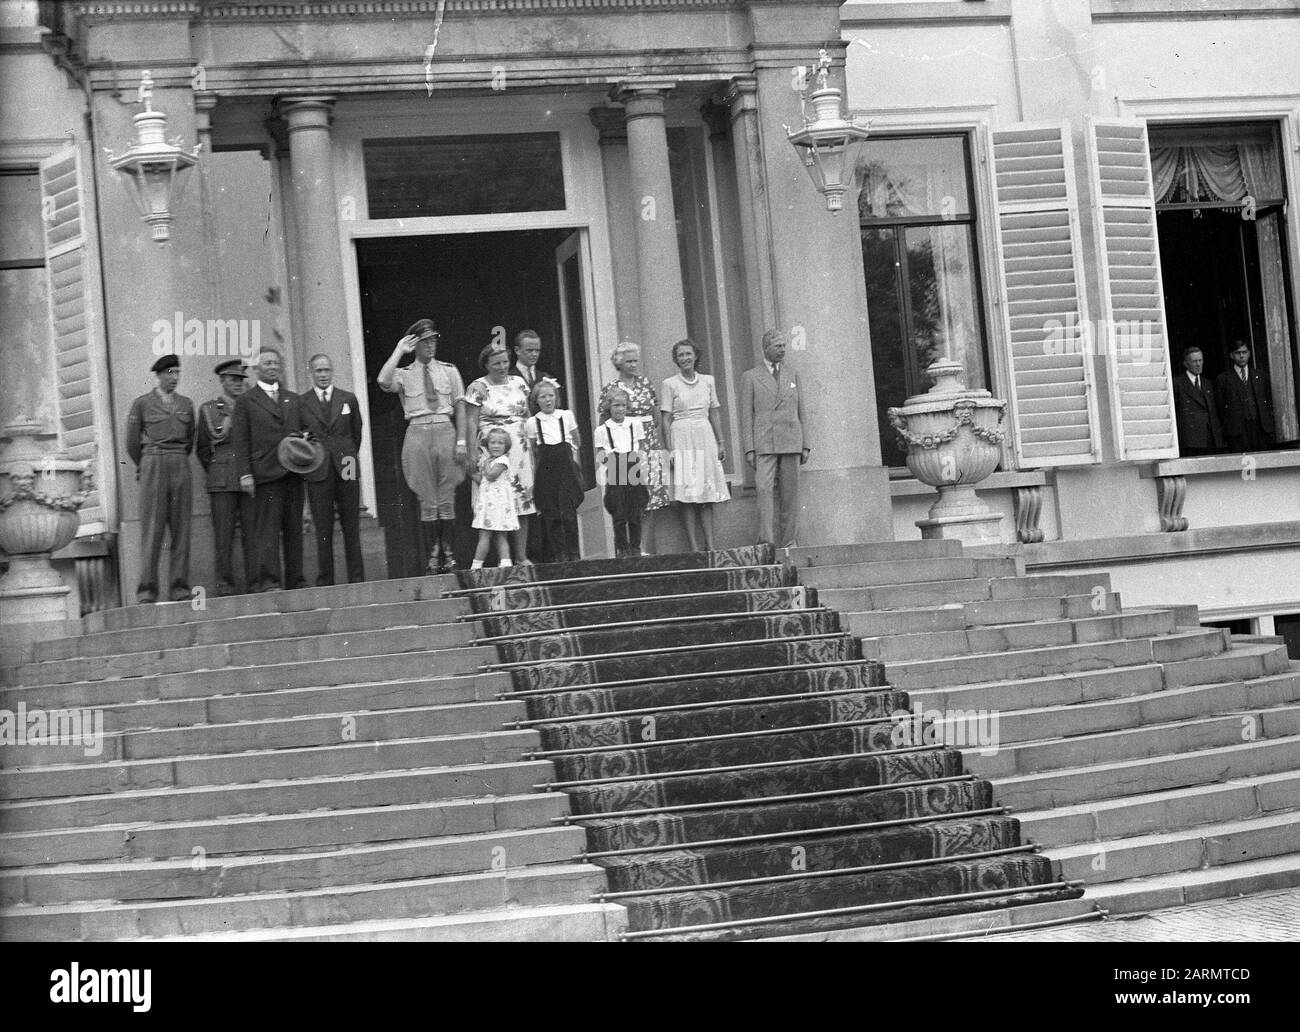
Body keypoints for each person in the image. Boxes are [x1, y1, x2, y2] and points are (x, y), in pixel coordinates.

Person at [377, 319, 467, 573]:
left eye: (433, 340)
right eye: (425, 341)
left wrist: (461, 441)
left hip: (445, 430)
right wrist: (399, 350)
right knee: (427, 498)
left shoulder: (449, 370)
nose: (430, 345)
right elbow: (383, 380)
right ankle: (432, 558)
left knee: (447, 496)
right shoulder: (404, 373)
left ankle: (449, 556)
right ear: (415, 344)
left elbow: (460, 406)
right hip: (418, 433)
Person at [231, 348, 311, 592]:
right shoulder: (246, 401)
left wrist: (306, 438)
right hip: (265, 474)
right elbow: (240, 441)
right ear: (256, 369)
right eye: (267, 363)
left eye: (276, 363)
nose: (273, 367)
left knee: (294, 530)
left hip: (293, 473)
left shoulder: (293, 399)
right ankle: (270, 581)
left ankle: (296, 580)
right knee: (268, 531)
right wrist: (245, 474)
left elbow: (307, 429)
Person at [124, 354, 195, 604]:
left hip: (179, 463)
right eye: (169, 373)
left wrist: (176, 458)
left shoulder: (186, 404)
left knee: (181, 529)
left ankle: (179, 587)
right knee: (152, 530)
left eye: (177, 372)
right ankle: (147, 590)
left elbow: (190, 439)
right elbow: (132, 443)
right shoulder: (142, 404)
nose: (174, 378)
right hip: (153, 462)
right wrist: (146, 465)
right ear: (159, 375)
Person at [464, 341, 536, 563]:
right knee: (495, 500)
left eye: (505, 362)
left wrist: (534, 444)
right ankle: (504, 558)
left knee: (522, 500)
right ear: (486, 364)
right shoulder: (477, 387)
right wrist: (471, 452)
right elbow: (471, 421)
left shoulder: (519, 382)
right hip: (492, 447)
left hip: (520, 448)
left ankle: (521, 556)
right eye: (497, 363)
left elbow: (528, 415)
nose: (503, 367)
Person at [596, 341, 669, 553]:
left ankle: (644, 547)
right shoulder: (611, 388)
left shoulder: (646, 383)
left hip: (646, 442)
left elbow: (655, 414)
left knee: (647, 494)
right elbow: (603, 422)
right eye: (629, 361)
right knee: (622, 498)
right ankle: (625, 548)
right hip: (622, 447)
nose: (634, 365)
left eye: (636, 360)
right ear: (619, 363)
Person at [739, 328, 809, 549]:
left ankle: (789, 542)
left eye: (784, 346)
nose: (782, 350)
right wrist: (749, 448)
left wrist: (806, 445)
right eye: (778, 346)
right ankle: (765, 542)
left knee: (791, 495)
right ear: (766, 348)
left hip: (791, 440)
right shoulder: (751, 376)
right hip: (765, 442)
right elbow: (745, 415)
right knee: (763, 489)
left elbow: (802, 410)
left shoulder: (792, 374)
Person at [300, 353, 365, 585]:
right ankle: (326, 580)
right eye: (318, 371)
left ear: (332, 371)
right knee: (323, 526)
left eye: (327, 370)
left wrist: (346, 454)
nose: (323, 375)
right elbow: (299, 436)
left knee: (351, 524)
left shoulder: (348, 398)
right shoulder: (302, 402)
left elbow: (356, 433)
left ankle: (357, 578)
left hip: (347, 464)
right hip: (318, 468)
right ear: (311, 373)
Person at [660, 338, 730, 552]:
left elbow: (714, 413)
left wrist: (720, 442)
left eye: (688, 354)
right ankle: (694, 547)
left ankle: (711, 545)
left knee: (706, 493)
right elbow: (665, 419)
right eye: (680, 355)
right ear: (676, 359)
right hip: (681, 437)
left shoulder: (708, 381)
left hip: (704, 436)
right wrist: (670, 450)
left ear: (695, 356)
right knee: (687, 494)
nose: (685, 358)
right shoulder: (669, 384)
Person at [197, 359, 254, 596]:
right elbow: (202, 449)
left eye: (241, 379)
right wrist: (217, 470)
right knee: (223, 536)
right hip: (221, 480)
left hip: (249, 476)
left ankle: (255, 583)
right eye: (233, 379)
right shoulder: (210, 409)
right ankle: (225, 585)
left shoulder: (250, 406)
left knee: (253, 534)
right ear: (222, 380)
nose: (238, 384)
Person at [525, 381, 584, 563]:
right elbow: (533, 450)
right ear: (536, 400)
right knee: (552, 513)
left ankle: (574, 553)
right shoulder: (533, 422)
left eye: (551, 395)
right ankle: (559, 554)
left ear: (556, 397)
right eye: (543, 397)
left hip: (566, 469)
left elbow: (577, 441)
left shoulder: (566, 416)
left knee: (568, 512)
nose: (548, 400)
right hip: (547, 472)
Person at [595, 387, 650, 559]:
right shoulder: (602, 430)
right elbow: (600, 453)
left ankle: (635, 547)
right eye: (616, 405)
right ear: (609, 407)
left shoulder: (634, 424)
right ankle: (622, 549)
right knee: (618, 512)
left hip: (633, 466)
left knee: (635, 511)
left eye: (623, 405)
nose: (620, 409)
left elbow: (641, 446)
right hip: (615, 468)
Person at [470, 427, 518, 569]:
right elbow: (483, 480)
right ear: (488, 444)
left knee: (497, 535)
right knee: (487, 535)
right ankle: (487, 564)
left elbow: (491, 475)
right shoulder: (491, 460)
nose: (496, 446)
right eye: (493, 442)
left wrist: (485, 463)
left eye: (500, 443)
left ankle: (481, 565)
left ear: (506, 446)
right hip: (488, 503)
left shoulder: (503, 460)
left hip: (498, 504)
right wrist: (469, 471)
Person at [1215, 340, 1275, 453]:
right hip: (1238, 432)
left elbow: (1268, 402)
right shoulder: (1223, 379)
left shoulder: (1260, 376)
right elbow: (1220, 408)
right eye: (1238, 353)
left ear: (1249, 354)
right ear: (1231, 355)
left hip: (1260, 429)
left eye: (1244, 352)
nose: (1241, 356)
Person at [1172, 346, 1225, 456]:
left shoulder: (1208, 383)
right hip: (1191, 441)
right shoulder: (1177, 384)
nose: (1198, 364)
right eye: (1194, 361)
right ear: (1186, 364)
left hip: (1211, 439)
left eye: (1200, 360)